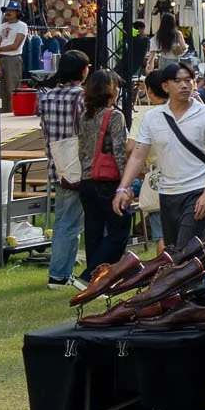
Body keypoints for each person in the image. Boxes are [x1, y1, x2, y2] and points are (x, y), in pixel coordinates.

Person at [111, 62, 205, 250]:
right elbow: (138, 156)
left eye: (189, 80)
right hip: (167, 194)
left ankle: (197, 279)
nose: (184, 85)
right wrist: (123, 188)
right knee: (173, 252)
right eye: (178, 81)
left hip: (198, 190)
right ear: (165, 86)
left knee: (186, 252)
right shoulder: (152, 117)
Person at [36, 51, 91, 288]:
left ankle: (60, 271)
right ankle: (59, 274)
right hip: (79, 167)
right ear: (82, 71)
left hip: (57, 165)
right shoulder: (81, 98)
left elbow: (45, 130)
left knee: (63, 221)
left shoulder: (46, 97)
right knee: (70, 223)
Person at [77, 70, 132, 274]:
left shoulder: (86, 116)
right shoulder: (114, 116)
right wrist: (125, 184)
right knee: (120, 228)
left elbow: (82, 148)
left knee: (94, 231)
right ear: (110, 90)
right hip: (107, 181)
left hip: (87, 179)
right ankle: (91, 272)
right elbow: (119, 150)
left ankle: (95, 278)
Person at [0, 4, 28, 104]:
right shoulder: (2, 26)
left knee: (13, 90)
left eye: (12, 10)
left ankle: (14, 113)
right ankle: (2, 115)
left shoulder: (22, 26)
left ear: (18, 13)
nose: (8, 12)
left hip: (13, 59)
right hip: (0, 58)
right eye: (7, 10)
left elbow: (15, 46)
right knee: (0, 91)